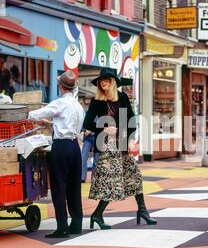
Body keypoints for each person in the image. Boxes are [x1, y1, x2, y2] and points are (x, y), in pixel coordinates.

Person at [83, 67, 157, 229]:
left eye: (107, 80)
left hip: (122, 144)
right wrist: (102, 128)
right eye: (102, 81)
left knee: (134, 175)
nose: (104, 83)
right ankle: (97, 214)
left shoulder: (122, 97)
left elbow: (130, 120)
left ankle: (142, 210)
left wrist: (130, 140)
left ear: (113, 82)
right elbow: (87, 124)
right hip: (107, 146)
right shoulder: (97, 101)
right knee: (112, 181)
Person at [28, 70, 85, 238]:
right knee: (74, 186)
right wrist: (51, 124)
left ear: (60, 86)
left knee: (59, 186)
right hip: (75, 147)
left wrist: (29, 114)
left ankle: (62, 227)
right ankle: (76, 224)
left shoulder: (60, 103)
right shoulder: (78, 106)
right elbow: (67, 125)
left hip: (61, 147)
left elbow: (35, 114)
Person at [80, 97, 95, 183]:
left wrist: (91, 131)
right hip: (88, 139)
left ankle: (94, 178)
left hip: (97, 138)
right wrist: (85, 130)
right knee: (83, 156)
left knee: (97, 158)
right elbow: (82, 126)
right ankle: (82, 177)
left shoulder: (100, 114)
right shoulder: (86, 114)